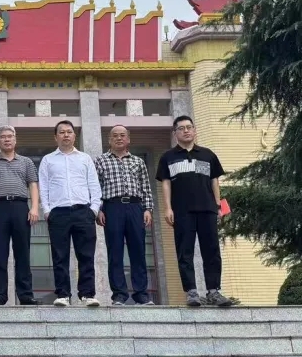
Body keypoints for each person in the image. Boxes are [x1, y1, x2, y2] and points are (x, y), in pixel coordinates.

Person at [156, 116, 233, 307]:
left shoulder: (208, 155)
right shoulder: (168, 157)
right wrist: (168, 208)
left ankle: (213, 291)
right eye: (181, 128)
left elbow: (214, 180)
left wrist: (218, 205)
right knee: (185, 251)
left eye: (189, 127)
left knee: (212, 250)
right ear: (175, 133)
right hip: (182, 211)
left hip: (207, 209)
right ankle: (191, 292)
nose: (186, 131)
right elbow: (166, 184)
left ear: (194, 130)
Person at [39, 120, 102, 307]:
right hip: (58, 213)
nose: (66, 135)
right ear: (55, 137)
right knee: (60, 256)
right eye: (62, 132)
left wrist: (94, 209)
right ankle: (63, 294)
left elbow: (94, 185)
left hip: (83, 212)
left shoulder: (85, 158)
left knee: (86, 255)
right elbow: (43, 187)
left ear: (75, 136)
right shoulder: (48, 160)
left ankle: (87, 294)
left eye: (69, 132)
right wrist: (47, 211)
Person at [95, 125, 155, 306]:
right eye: (115, 136)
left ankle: (141, 294)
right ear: (109, 140)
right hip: (112, 208)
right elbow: (95, 187)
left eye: (122, 135)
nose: (119, 138)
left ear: (128, 139)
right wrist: (98, 209)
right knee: (115, 252)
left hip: (136, 207)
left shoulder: (138, 162)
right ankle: (119, 294)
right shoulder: (100, 161)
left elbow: (146, 187)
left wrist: (147, 209)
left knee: (138, 251)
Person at [0, 125, 40, 306]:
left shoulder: (26, 162)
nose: (6, 139)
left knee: (23, 253)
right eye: (3, 137)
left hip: (21, 207)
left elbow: (33, 184)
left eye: (10, 136)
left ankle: (26, 295)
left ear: (15, 139)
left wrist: (34, 207)